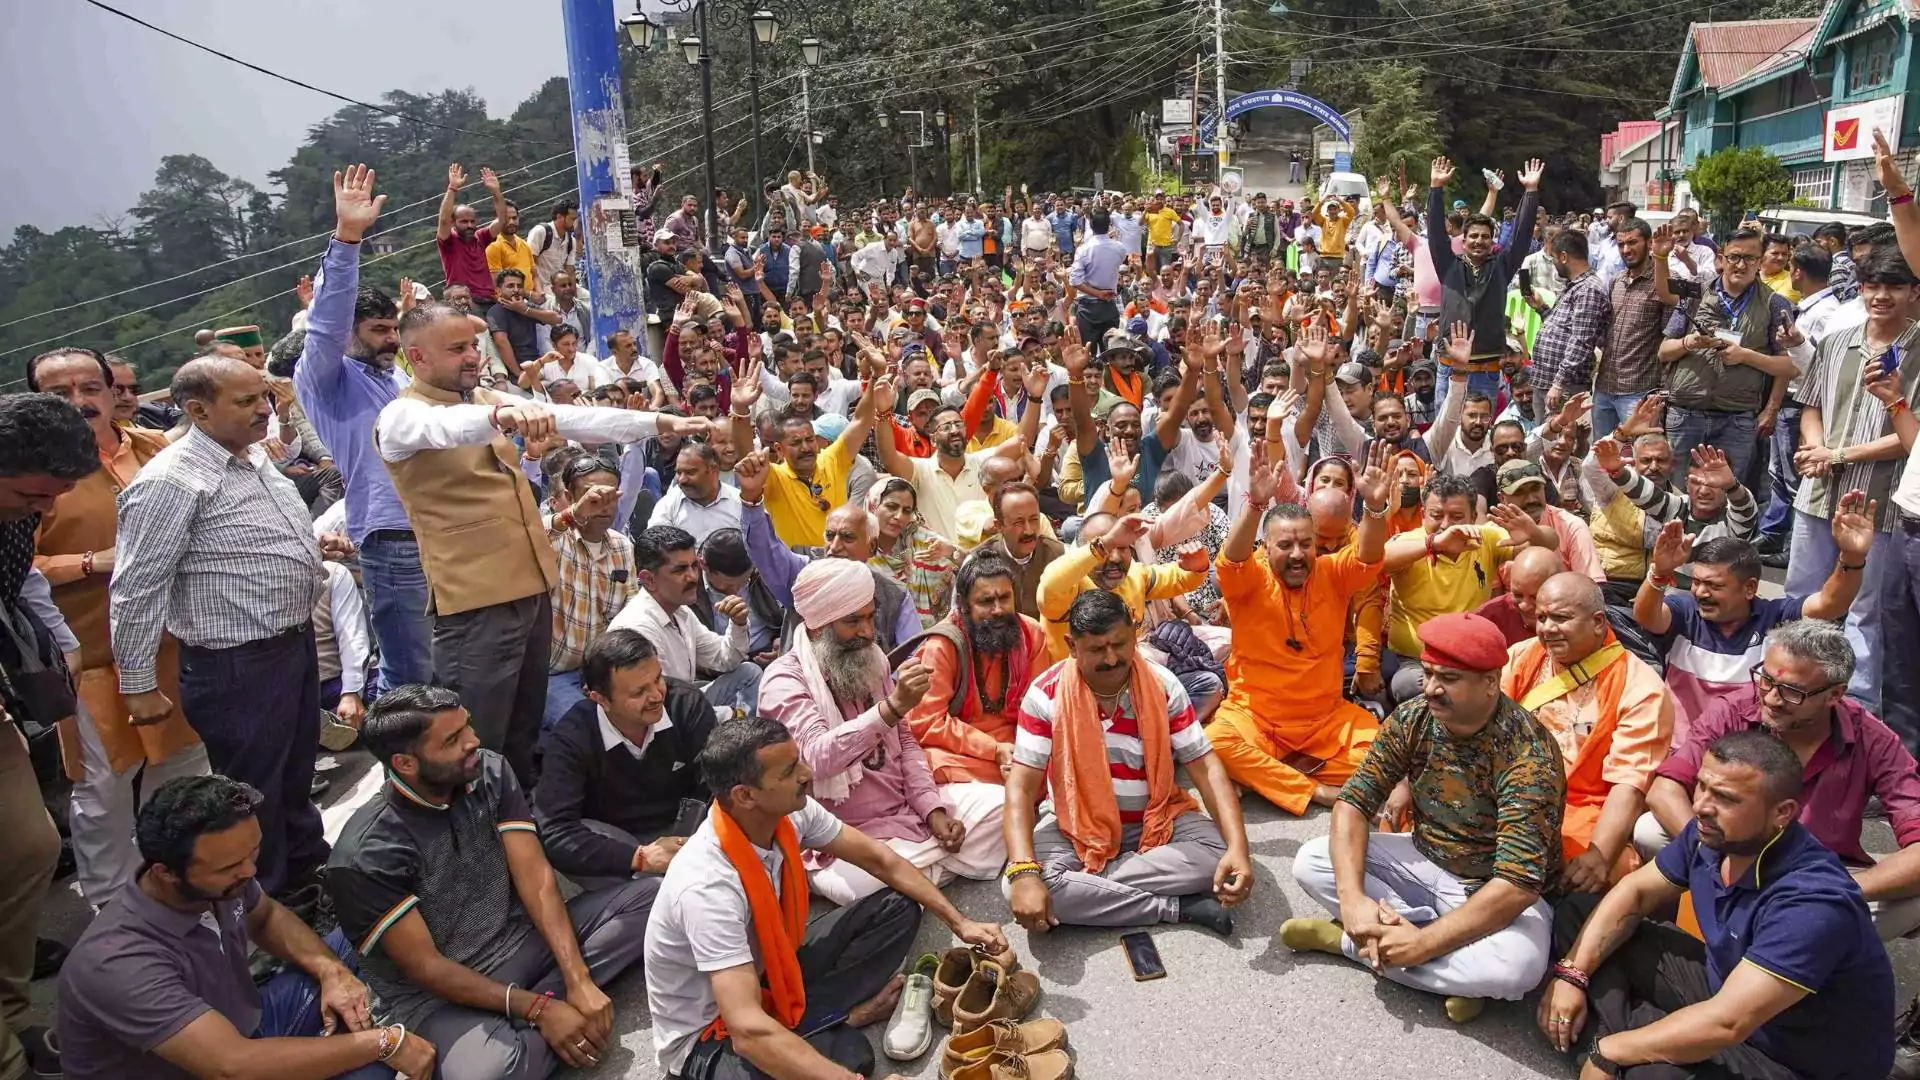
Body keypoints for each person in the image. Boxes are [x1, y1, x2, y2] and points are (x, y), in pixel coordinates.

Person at [374, 302, 698, 784]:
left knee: (520, 737)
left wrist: (657, 424)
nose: (472, 357)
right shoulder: (403, 415)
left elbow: (569, 418)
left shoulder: (484, 400)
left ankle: (518, 828)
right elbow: (444, 429)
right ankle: (477, 845)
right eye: (457, 348)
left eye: (473, 346)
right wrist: (504, 414)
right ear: (417, 358)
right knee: (475, 742)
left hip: (531, 596)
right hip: (476, 607)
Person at [644, 714, 1008, 1080]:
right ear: (745, 795)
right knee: (851, 1057)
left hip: (768, 971)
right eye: (788, 771)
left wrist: (962, 923)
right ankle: (838, 1020)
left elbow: (882, 861)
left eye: (799, 759)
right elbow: (746, 1031)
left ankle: (826, 1021)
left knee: (895, 908)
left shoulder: (789, 813)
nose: (806, 774)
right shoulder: (707, 887)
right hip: (711, 1035)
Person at [329, 685, 651, 1080]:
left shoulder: (489, 770)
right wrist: (540, 1009)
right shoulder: (366, 854)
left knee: (652, 899)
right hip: (441, 997)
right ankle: (544, 1016)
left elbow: (536, 879)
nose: (473, 742)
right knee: (495, 1071)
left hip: (523, 944)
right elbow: (429, 969)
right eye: (453, 739)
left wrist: (577, 979)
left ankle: (548, 1011)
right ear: (405, 763)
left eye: (467, 727)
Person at [1541, 730, 1894, 1080]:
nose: (1700, 806)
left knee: (1657, 1077)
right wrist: (1572, 974)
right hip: (1725, 989)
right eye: (1702, 786)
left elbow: (1728, 1023)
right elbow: (1636, 893)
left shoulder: (1812, 902)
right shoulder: (1713, 833)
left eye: (1725, 798)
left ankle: (1621, 1042)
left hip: (1793, 1059)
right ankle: (1635, 1038)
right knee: (1581, 912)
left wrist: (1609, 1052)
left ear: (1782, 812)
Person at [111, 357, 328, 902]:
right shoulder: (172, 479)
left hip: (290, 643)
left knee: (294, 774)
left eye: (265, 397)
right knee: (254, 789)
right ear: (198, 410)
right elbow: (137, 585)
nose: (265, 410)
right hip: (237, 663)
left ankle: (308, 874)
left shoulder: (251, 459)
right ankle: (267, 905)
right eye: (247, 401)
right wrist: (137, 682)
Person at [57, 775, 438, 1080]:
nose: (251, 872)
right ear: (164, 873)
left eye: (252, 853)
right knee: (374, 1067)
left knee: (371, 931)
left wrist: (331, 972)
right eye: (230, 866)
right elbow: (232, 1066)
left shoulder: (218, 880)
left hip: (247, 1027)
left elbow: (267, 916)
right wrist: (385, 1043)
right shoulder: (117, 963)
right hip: (227, 1060)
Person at [1284, 612, 1566, 1025]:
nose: (1432, 689)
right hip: (1423, 859)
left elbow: (1516, 886)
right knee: (1311, 860)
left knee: (1517, 968)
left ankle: (1351, 943)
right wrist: (1352, 899)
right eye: (1429, 674)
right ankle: (1446, 968)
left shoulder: (1527, 756)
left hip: (1490, 889)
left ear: (1490, 682)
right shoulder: (1415, 717)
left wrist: (1422, 945)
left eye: (1448, 679)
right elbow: (1353, 803)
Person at [27, 347, 208, 909]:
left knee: (180, 776)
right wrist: (89, 562)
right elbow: (18, 568)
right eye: (58, 395)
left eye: (89, 389)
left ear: (111, 392)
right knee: (104, 793)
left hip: (179, 646)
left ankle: (182, 893)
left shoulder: (154, 450)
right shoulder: (29, 476)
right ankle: (113, 910)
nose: (78, 403)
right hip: (93, 661)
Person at [1634, 619, 1920, 941]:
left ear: (1835, 694)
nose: (1770, 698)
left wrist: (1835, 889)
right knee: (1649, 830)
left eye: (1792, 692)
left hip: (1819, 876)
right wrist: (1718, 859)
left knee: (1914, 899)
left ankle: (1779, 935)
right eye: (1766, 680)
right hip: (1731, 853)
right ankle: (1776, 935)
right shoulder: (1736, 709)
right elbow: (1664, 790)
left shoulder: (1874, 739)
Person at [1004, 588, 1252, 934]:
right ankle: (1174, 906)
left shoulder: (1163, 686)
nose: (1110, 659)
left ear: (1134, 637)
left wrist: (1240, 850)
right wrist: (1024, 872)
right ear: (1072, 646)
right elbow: (1020, 787)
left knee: (1218, 853)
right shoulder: (1045, 694)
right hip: (1072, 827)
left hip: (1157, 818)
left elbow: (1205, 768)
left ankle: (1091, 887)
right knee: (1017, 884)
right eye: (1096, 649)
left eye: (1119, 645)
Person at [760, 559, 1006, 905]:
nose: (867, 632)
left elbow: (906, 745)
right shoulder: (784, 681)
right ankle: (921, 875)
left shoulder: (869, 659)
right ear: (817, 627)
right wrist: (891, 709)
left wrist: (933, 811)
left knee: (1001, 805)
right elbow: (815, 759)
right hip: (844, 835)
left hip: (904, 813)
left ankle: (910, 882)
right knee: (859, 888)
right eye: (853, 621)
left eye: (869, 617)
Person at [296, 164, 431, 693]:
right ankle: (404, 772)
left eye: (394, 329)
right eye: (378, 330)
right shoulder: (326, 376)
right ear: (348, 333)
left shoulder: (394, 374)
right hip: (392, 541)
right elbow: (326, 322)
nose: (390, 340)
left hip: (433, 529)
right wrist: (348, 238)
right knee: (409, 674)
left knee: (444, 663)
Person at [1206, 443, 1391, 816]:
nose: (1296, 554)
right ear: (1267, 547)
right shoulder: (1250, 581)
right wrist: (1256, 507)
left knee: (1384, 757)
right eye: (1285, 545)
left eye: (1305, 544)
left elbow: (1369, 556)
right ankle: (1313, 788)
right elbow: (1231, 560)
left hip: (1324, 720)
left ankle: (1266, 774)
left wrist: (1373, 508)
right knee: (1214, 742)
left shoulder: (1332, 573)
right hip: (1255, 718)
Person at [1784, 247, 1919, 711]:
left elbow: (1911, 438)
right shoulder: (1837, 340)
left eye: (1894, 287)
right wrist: (1816, 448)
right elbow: (1811, 407)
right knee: (1802, 597)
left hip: (1882, 501)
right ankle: (1788, 686)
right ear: (1860, 289)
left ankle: (1858, 711)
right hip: (1820, 494)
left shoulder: (1918, 349)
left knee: (1866, 613)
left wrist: (1834, 453)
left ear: (1912, 292)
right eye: (1873, 286)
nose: (1882, 296)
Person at [1633, 508, 1871, 743]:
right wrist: (1659, 573)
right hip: (1680, 751)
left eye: (1713, 585)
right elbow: (1646, 616)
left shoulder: (1775, 618)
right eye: (1696, 582)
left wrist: (1852, 558)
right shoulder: (1684, 612)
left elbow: (1831, 603)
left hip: (1750, 759)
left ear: (1750, 588)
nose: (1700, 592)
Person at [1500, 573, 1672, 893]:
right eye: (1541, 617)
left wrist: (1600, 856)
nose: (1547, 628)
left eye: (1561, 618)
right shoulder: (1522, 656)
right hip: (1507, 793)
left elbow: (1629, 784)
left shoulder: (1640, 687)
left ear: (1597, 622)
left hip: (1583, 810)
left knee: (1583, 872)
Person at [534, 629, 716, 891]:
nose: (656, 696)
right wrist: (639, 857)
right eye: (639, 692)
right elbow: (554, 830)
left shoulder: (686, 706)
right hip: (617, 844)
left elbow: (715, 785)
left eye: (658, 680)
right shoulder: (573, 735)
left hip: (685, 833)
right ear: (599, 699)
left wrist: (690, 844)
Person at [1377, 471, 1557, 703]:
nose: (1446, 525)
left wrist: (1532, 532)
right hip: (1416, 660)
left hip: (1472, 658)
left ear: (1473, 518)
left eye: (1456, 516)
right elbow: (1379, 559)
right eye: (1436, 515)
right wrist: (1435, 544)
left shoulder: (1486, 539)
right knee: (1411, 686)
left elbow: (1550, 543)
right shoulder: (1409, 542)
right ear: (1423, 515)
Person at [1656, 227, 1813, 486]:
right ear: (1721, 257)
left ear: (1760, 261)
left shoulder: (1776, 304)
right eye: (1734, 257)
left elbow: (1791, 366)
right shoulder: (1696, 296)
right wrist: (1689, 341)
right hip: (1685, 415)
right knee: (1678, 492)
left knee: (1730, 498)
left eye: (1750, 258)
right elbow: (1663, 352)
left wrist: (1747, 357)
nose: (1741, 265)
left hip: (1737, 420)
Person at [905, 548, 1049, 794]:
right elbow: (926, 722)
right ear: (963, 605)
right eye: (985, 601)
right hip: (961, 753)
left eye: (1004, 598)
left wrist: (1019, 754)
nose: (998, 610)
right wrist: (993, 750)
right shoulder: (944, 644)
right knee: (930, 764)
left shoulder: (1031, 635)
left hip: (1020, 747)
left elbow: (1040, 711)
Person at [610, 525, 762, 717]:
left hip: (682, 704)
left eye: (694, 566)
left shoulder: (681, 612)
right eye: (680, 569)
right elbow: (658, 709)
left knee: (749, 674)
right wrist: (728, 715)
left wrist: (738, 623)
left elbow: (725, 659)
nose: (692, 577)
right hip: (660, 719)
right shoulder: (639, 630)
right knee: (731, 716)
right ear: (648, 579)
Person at [1426, 157, 1542, 401]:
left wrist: (1530, 192)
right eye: (1474, 236)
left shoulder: (1501, 268)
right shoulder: (1448, 266)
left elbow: (1520, 238)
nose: (1479, 241)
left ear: (1492, 242)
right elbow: (1436, 233)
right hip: (1449, 365)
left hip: (1486, 370)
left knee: (1480, 432)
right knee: (1445, 435)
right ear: (1464, 240)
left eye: (1485, 237)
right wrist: (1436, 188)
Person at [542, 457, 636, 732]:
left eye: (611, 495)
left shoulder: (622, 547)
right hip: (553, 675)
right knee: (595, 730)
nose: (602, 505)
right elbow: (529, 538)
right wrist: (572, 514)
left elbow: (627, 617)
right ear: (569, 497)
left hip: (603, 674)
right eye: (592, 495)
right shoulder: (556, 539)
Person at [982, 480, 1064, 619]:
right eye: (1018, 522)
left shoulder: (1060, 556)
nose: (1028, 530)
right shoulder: (979, 562)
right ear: (998, 525)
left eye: (1034, 519)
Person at [435, 163, 509, 305]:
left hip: (490, 300)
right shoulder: (449, 241)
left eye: (472, 221)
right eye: (464, 222)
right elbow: (443, 220)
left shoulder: (480, 237)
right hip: (464, 301)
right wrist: (452, 188)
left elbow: (502, 220)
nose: (469, 226)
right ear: (453, 222)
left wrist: (496, 192)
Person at [650, 441, 744, 546]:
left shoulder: (740, 503)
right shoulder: (668, 505)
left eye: (690, 472)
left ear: (713, 470)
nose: (682, 479)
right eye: (679, 472)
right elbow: (656, 549)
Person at [1475, 545, 1565, 646]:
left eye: (1534, 597)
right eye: (1517, 595)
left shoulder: (1577, 618)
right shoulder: (1488, 618)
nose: (1524, 606)